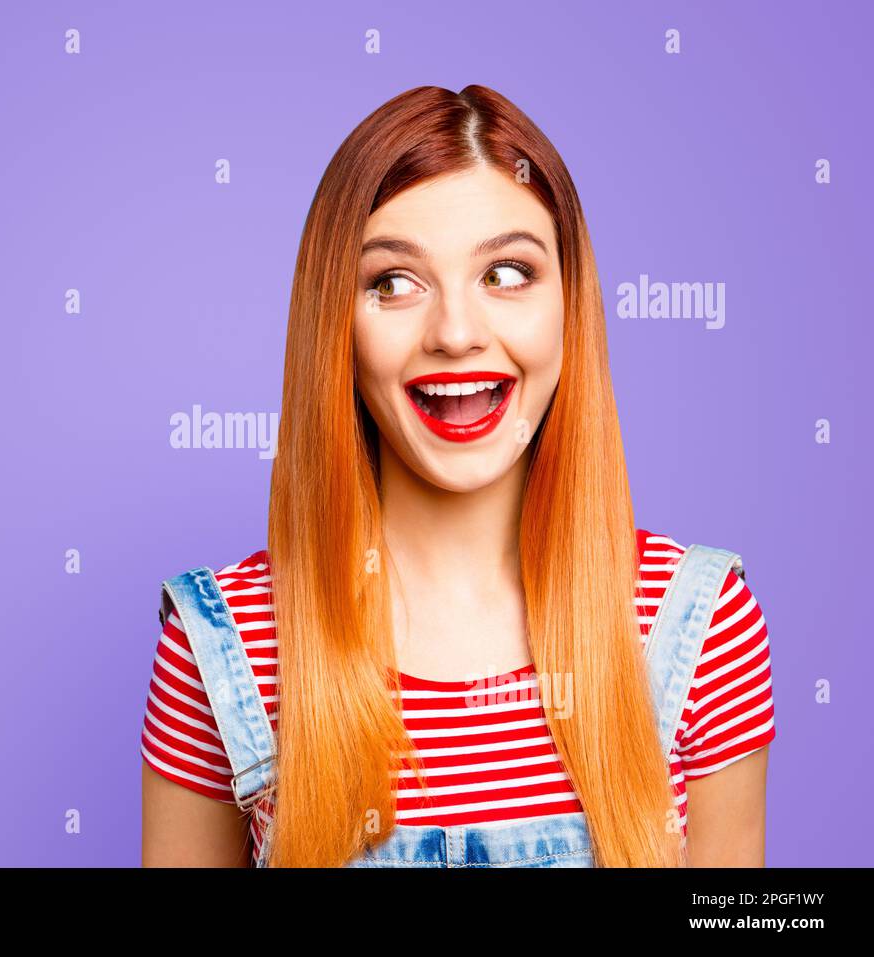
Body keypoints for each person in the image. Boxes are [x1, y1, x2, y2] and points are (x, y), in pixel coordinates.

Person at [140, 85, 774, 868]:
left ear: (570, 304)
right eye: (394, 283)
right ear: (335, 323)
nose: (456, 333)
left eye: (507, 273)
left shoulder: (699, 626)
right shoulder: (225, 644)